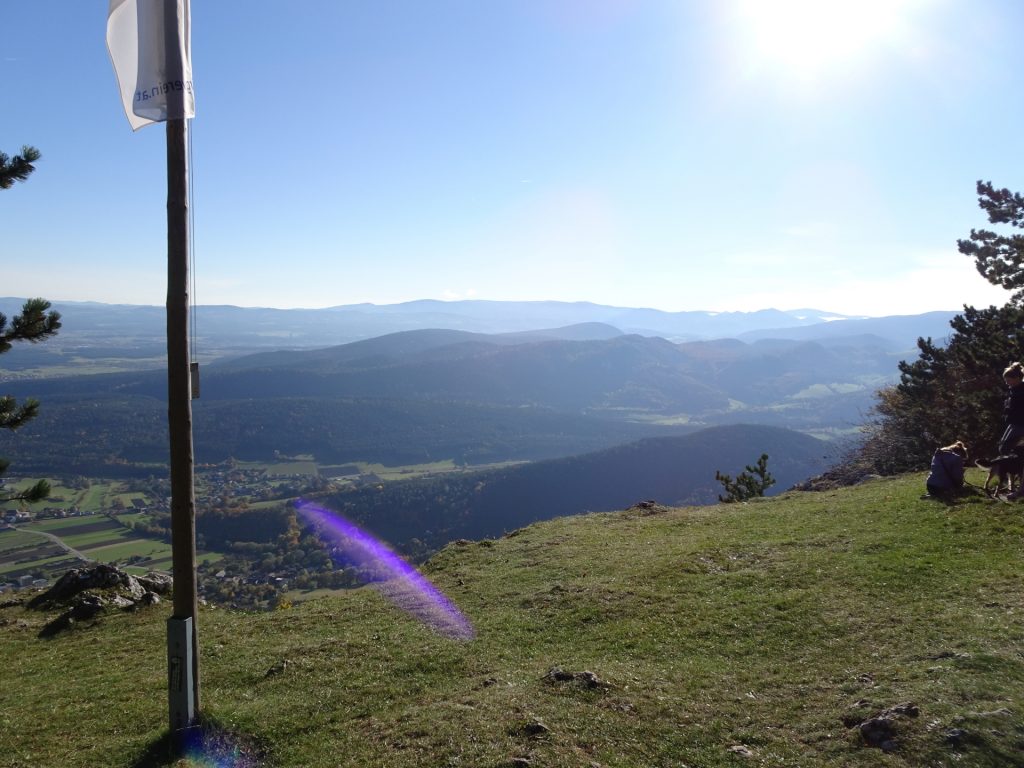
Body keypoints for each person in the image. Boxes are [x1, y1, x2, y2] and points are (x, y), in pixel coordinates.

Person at [998, 362, 1024, 455]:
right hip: (1014, 423)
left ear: (1017, 378)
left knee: (1005, 448)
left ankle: (1015, 466)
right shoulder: (1014, 391)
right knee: (1002, 447)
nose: (1006, 383)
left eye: (1008, 380)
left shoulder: (1021, 391)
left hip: (1020, 424)